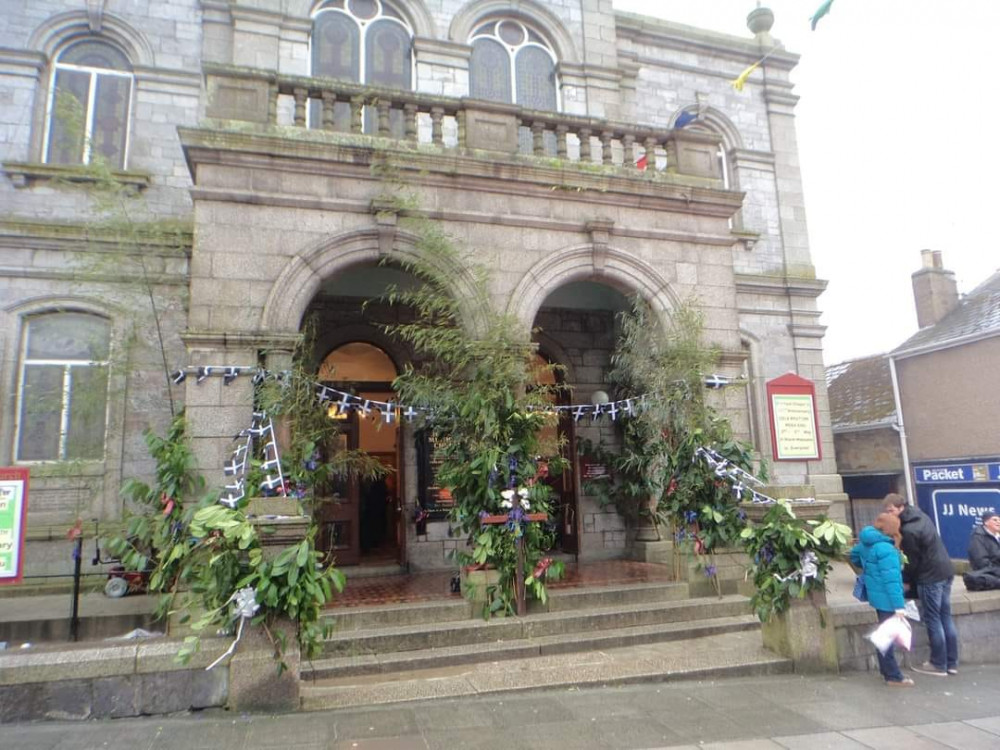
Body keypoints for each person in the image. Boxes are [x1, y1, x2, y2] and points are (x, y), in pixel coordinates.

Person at [883, 493, 958, 676]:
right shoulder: (921, 516)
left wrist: (907, 580)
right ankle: (952, 662)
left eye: (891, 510)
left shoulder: (908, 531)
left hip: (930, 577)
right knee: (945, 617)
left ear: (901, 508)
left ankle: (938, 664)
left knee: (933, 619)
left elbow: (912, 561)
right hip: (946, 571)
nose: (890, 514)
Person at [850, 513, 913, 687]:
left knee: (884, 635)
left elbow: (854, 556)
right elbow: (892, 580)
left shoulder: (866, 542)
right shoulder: (886, 549)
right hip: (887, 599)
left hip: (876, 596)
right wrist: (899, 606)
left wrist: (869, 570)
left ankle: (887, 671)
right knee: (887, 638)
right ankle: (893, 676)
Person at [964, 511, 1000, 591]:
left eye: (999, 520)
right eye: (995, 520)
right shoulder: (978, 538)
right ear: (986, 522)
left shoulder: (997, 536)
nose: (998, 522)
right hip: (990, 573)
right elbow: (981, 563)